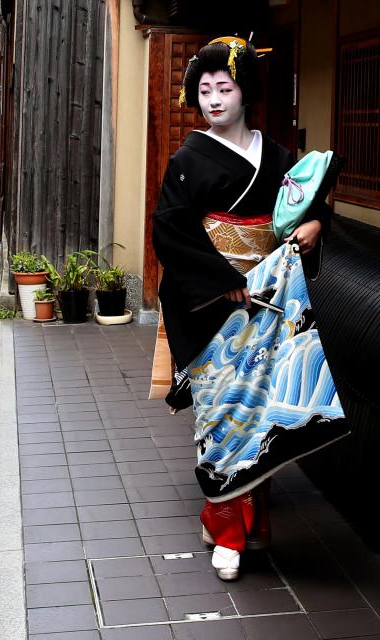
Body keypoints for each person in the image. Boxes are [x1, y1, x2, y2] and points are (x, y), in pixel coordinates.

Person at [152, 37, 341, 582]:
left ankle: (244, 520)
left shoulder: (278, 156)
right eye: (205, 89)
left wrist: (314, 227)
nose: (213, 98)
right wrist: (220, 280)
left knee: (261, 411)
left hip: (272, 299)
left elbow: (310, 208)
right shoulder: (188, 161)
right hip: (213, 306)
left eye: (224, 88)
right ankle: (227, 528)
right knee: (221, 415)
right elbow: (171, 231)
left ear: (244, 94)